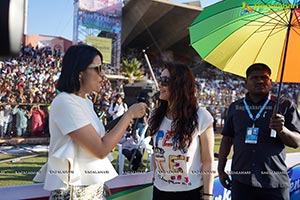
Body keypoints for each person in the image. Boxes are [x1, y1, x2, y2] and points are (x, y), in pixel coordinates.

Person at [33, 44, 147, 200]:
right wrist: (129, 115)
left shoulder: (85, 102)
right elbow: (100, 149)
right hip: (73, 192)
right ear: (80, 72)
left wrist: (98, 182)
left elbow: (89, 150)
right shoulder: (65, 102)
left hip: (89, 188)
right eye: (97, 69)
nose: (102, 75)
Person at [217, 63, 300, 200]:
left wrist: (282, 130)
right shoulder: (235, 107)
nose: (260, 81)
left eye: (264, 78)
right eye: (255, 77)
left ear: (270, 82)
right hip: (242, 182)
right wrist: (220, 170)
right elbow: (226, 140)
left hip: (274, 183)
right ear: (246, 82)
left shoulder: (284, 105)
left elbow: (297, 141)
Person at [148, 63, 215, 200]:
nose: (160, 85)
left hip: (191, 192)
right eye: (160, 80)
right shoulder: (155, 115)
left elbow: (207, 160)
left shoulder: (201, 116)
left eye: (165, 81)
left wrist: (208, 194)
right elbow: (156, 152)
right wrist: (156, 176)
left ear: (179, 84)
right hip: (160, 191)